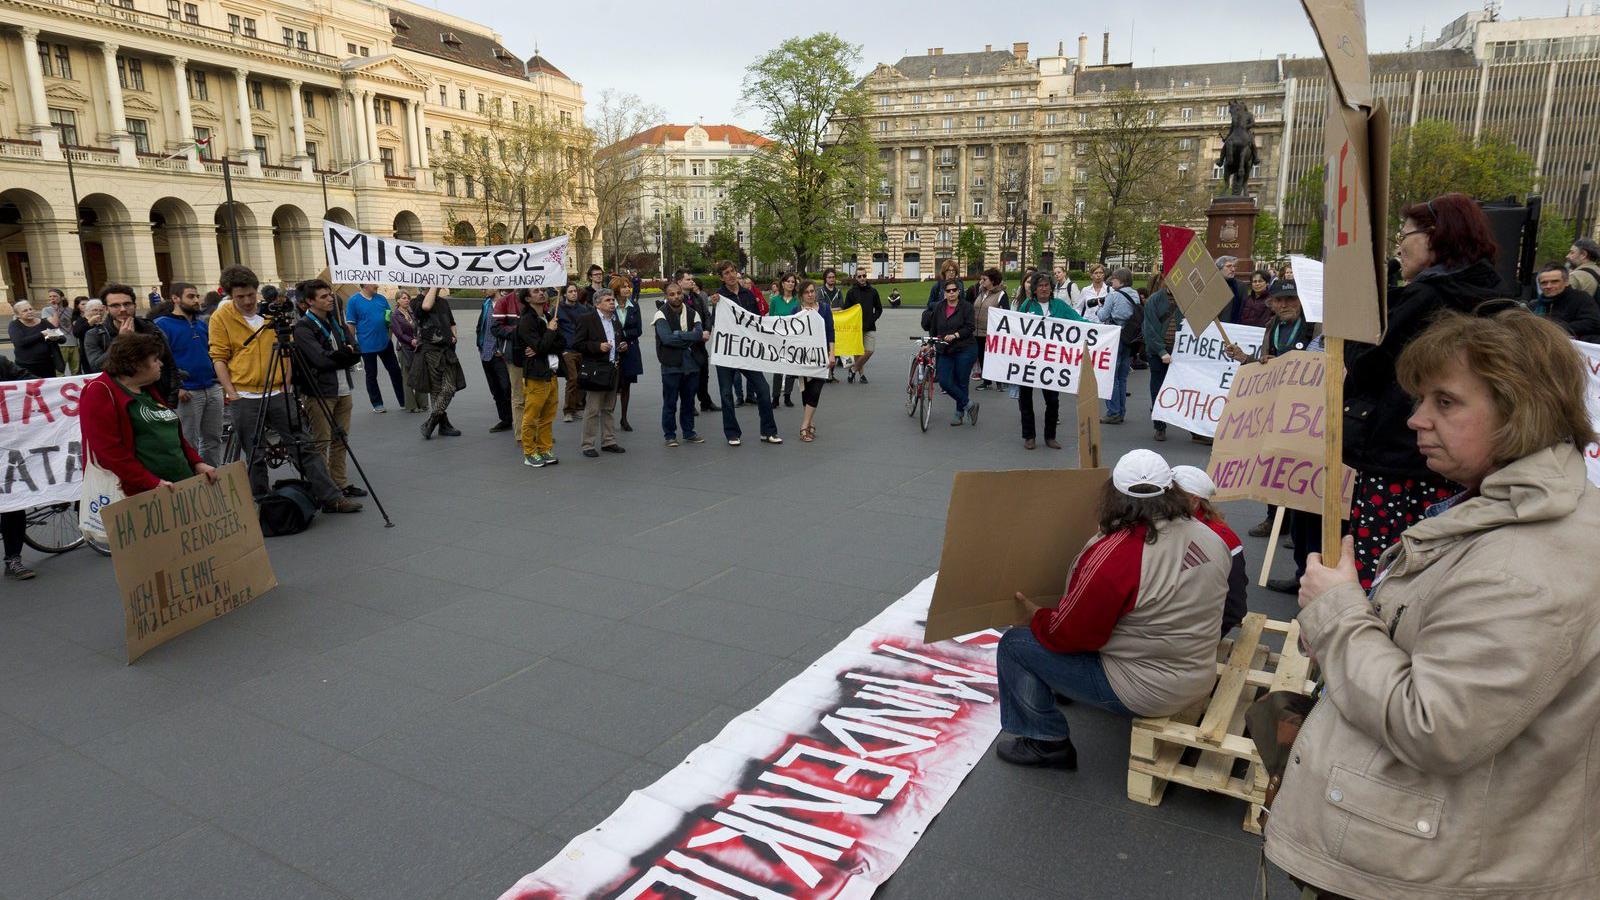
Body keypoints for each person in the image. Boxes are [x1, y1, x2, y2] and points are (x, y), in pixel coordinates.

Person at [1267, 309, 1600, 900]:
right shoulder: (1496, 514)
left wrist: (1340, 613)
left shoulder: (1526, 561)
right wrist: (1343, 624)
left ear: (1520, 410)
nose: (1417, 419)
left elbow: (1434, 725)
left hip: (1431, 871)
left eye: (1445, 402)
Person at [993, 450, 1231, 768]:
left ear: (1114, 495)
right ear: (1172, 491)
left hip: (1148, 688)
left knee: (1015, 645)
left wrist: (1035, 616)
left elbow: (1070, 635)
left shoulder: (1120, 554)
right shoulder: (1210, 537)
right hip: (1198, 672)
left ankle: (1044, 741)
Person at [1343, 192, 1506, 587]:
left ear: (1436, 236)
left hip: (1399, 458)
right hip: (1462, 460)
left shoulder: (1425, 296)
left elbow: (1367, 365)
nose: (1401, 243)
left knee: (1384, 572)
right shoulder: (1493, 294)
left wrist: (1355, 330)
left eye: (1406, 233)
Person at [207, 266, 361, 512]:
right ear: (230, 296)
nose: (247, 301)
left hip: (279, 392)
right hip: (245, 395)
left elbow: (287, 352)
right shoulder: (221, 317)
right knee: (255, 453)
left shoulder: (271, 315)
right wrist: (232, 393)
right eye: (240, 297)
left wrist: (287, 384)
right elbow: (218, 357)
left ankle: (331, 498)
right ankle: (262, 502)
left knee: (303, 445)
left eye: (250, 295)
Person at [80, 332, 218, 500]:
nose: (160, 364)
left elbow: (174, 435)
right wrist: (150, 482)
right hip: (143, 496)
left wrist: (197, 463)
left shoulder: (147, 388)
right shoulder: (99, 391)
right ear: (136, 364)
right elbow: (108, 450)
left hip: (178, 485)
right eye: (154, 360)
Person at [293, 279, 365, 498]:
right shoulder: (304, 326)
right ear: (309, 302)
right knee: (320, 442)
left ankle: (340, 483)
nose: (330, 298)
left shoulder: (336, 322)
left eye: (329, 294)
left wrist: (342, 355)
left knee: (340, 440)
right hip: (320, 392)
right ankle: (324, 490)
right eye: (323, 296)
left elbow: (355, 351)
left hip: (343, 389)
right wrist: (344, 355)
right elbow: (319, 360)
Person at [709, 260, 781, 446]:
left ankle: (768, 431)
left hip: (747, 351)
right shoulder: (719, 297)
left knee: (763, 390)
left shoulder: (747, 294)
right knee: (726, 393)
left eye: (732, 271)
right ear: (721, 277)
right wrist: (714, 305)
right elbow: (713, 322)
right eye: (726, 273)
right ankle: (732, 433)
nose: (731, 275)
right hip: (727, 352)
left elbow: (756, 321)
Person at [1171, 465, 1248, 635]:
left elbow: (1234, 607)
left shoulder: (1224, 540)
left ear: (1194, 500)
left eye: (1172, 495)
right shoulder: (1160, 525)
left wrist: (1204, 639)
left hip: (1193, 636)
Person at [154, 282, 224, 466]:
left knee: (213, 440)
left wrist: (218, 382)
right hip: (188, 393)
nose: (196, 300)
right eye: (190, 297)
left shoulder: (201, 324)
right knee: (188, 442)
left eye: (196, 296)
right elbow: (160, 361)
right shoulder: (162, 325)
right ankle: (191, 482)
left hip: (212, 388)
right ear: (175, 299)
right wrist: (176, 388)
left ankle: (212, 476)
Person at [1014, 272, 1086, 449]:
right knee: (1025, 399)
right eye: (1040, 286)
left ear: (1051, 288)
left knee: (1052, 400)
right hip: (1028, 360)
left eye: (1047, 285)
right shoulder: (1027, 305)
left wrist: (1104, 330)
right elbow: (1015, 327)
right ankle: (1029, 436)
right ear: (1035, 289)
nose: (1044, 289)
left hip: (1051, 362)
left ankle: (1050, 436)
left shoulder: (1060, 306)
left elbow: (1080, 322)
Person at [83, 284, 179, 398]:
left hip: (155, 395)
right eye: (115, 306)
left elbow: (169, 364)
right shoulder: (95, 334)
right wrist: (121, 340)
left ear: (134, 305)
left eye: (127, 304)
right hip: (119, 398)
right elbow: (97, 367)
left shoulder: (150, 328)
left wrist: (172, 399)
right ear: (106, 309)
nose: (123, 309)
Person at [514, 286, 567, 467]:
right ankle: (529, 452)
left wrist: (541, 346)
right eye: (536, 291)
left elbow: (561, 343)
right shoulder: (527, 320)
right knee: (532, 415)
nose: (541, 293)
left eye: (542, 290)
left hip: (550, 372)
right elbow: (542, 345)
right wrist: (549, 332)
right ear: (527, 299)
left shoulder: (548, 316)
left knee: (548, 415)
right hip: (536, 375)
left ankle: (545, 448)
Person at [574, 288, 627, 458]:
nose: (612, 303)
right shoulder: (587, 319)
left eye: (612, 300)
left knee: (609, 407)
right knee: (593, 408)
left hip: (613, 368)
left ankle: (609, 441)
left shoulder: (615, 321)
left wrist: (623, 346)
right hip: (596, 369)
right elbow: (578, 344)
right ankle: (588, 444)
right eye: (608, 300)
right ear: (598, 303)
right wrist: (598, 346)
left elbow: (619, 338)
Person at [653, 278, 705, 447]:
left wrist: (678, 334)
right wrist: (688, 336)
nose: (676, 297)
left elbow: (698, 335)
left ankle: (689, 432)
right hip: (671, 365)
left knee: (689, 402)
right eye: (671, 294)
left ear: (682, 294)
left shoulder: (693, 313)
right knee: (670, 402)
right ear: (666, 296)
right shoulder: (660, 314)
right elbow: (666, 339)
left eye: (678, 293)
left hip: (692, 365)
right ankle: (670, 435)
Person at [921, 279, 979, 427]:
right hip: (945, 349)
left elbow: (970, 327)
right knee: (945, 381)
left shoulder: (966, 307)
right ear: (944, 293)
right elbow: (934, 329)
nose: (952, 293)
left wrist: (955, 335)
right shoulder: (939, 307)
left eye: (954, 290)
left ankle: (959, 413)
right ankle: (970, 405)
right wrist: (929, 344)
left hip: (965, 348)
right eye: (948, 291)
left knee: (961, 381)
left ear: (959, 291)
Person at [2, 352, 39, 578]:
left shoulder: (0, 363)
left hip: (6, 446)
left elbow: (29, 380)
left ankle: (13, 559)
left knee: (12, 501)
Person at [412, 287, 466, 438]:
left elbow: (452, 322)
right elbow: (426, 307)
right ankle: (443, 425)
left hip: (447, 350)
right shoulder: (416, 302)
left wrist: (454, 335)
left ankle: (430, 421)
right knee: (436, 390)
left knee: (449, 387)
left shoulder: (442, 302)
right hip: (430, 351)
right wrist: (434, 285)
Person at [343, 284, 403, 414]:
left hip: (385, 343)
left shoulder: (381, 298)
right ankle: (377, 403)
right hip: (366, 346)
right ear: (364, 284)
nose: (376, 285)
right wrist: (351, 344)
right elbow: (351, 324)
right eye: (373, 282)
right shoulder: (353, 301)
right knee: (371, 375)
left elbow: (389, 318)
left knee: (396, 371)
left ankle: (403, 400)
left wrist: (389, 337)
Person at [1141, 272, 1184, 443]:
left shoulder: (1187, 299)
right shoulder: (1154, 300)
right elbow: (1149, 330)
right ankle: (1160, 425)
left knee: (1187, 389)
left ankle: (1193, 428)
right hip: (1159, 353)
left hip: (1181, 352)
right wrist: (1161, 351)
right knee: (1158, 388)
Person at [1096, 267, 1141, 425]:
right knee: (1122, 377)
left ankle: (1113, 411)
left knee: (1111, 377)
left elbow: (1102, 316)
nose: (1111, 281)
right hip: (1130, 337)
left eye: (1114, 279)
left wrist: (1101, 306)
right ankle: (1121, 411)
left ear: (1120, 280)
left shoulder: (1113, 295)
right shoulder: (1134, 294)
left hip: (1115, 336)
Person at [794, 280, 835, 442]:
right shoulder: (796, 310)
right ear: (801, 295)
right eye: (807, 292)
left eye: (812, 291)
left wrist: (832, 353)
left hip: (821, 355)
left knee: (816, 388)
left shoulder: (824, 309)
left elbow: (831, 331)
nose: (811, 294)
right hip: (803, 356)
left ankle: (804, 425)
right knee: (807, 391)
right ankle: (810, 422)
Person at [675, 271, 718, 412]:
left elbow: (706, 315)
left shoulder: (697, 298)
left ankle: (705, 401)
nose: (692, 281)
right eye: (688, 279)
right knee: (688, 375)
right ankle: (689, 404)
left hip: (700, 343)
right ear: (679, 282)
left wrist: (707, 330)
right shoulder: (676, 300)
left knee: (703, 373)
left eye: (692, 279)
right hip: (687, 344)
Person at [476, 290, 515, 433]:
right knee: (495, 389)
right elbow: (481, 325)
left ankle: (515, 418)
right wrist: (480, 345)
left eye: (487, 285)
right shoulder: (486, 303)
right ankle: (505, 419)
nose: (484, 288)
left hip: (500, 354)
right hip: (486, 352)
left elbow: (509, 327)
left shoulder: (506, 303)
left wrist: (502, 348)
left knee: (507, 388)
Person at [1530, 263, 1600, 341]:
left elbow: (1593, 322)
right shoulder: (1535, 305)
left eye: (1554, 282)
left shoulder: (1581, 298)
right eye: (1544, 283)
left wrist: (1557, 328)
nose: (1548, 286)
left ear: (1566, 282)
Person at [612, 275, 644, 432]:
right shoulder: (610, 305)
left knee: (626, 386)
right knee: (612, 385)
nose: (627, 289)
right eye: (623, 287)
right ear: (616, 290)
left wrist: (623, 335)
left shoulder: (634, 306)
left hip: (630, 349)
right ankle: (607, 418)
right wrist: (619, 339)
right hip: (613, 350)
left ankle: (624, 418)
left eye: (628, 286)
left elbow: (638, 330)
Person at [491, 288, 527, 428]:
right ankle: (521, 432)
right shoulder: (504, 301)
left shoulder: (535, 298)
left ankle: (535, 430)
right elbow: (495, 328)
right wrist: (517, 332)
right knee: (518, 395)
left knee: (535, 395)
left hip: (535, 354)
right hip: (514, 355)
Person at [971, 268, 1010, 391]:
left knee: (994, 357)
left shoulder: (1001, 294)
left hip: (992, 333)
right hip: (977, 331)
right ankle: (986, 381)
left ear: (992, 280)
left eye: (984, 279)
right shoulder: (981, 293)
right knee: (981, 356)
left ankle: (999, 381)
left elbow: (1006, 313)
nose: (981, 281)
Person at [842, 267, 883, 384]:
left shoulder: (873, 291)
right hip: (856, 327)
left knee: (869, 351)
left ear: (866, 276)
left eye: (864, 276)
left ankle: (853, 369)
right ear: (856, 278)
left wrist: (873, 319)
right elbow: (846, 309)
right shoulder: (851, 292)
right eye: (859, 276)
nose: (862, 279)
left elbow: (879, 309)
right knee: (858, 352)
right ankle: (862, 375)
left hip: (870, 326)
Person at [557, 282, 591, 422]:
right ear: (565, 294)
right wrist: (561, 350)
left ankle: (577, 407)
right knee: (572, 379)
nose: (574, 294)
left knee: (582, 379)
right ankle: (568, 410)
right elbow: (555, 331)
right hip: (568, 350)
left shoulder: (583, 309)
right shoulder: (558, 309)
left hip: (581, 349)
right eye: (570, 291)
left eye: (575, 291)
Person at [389, 290, 427, 412]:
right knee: (407, 377)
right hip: (404, 348)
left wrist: (419, 338)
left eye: (408, 298)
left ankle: (422, 402)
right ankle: (411, 405)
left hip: (417, 346)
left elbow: (418, 325)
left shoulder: (411, 312)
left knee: (420, 373)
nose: (407, 300)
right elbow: (399, 334)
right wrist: (411, 340)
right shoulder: (395, 315)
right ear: (398, 300)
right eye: (404, 298)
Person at [7, 299, 65, 378]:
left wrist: (55, 337)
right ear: (18, 315)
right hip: (26, 366)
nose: (29, 312)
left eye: (30, 309)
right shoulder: (15, 325)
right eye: (25, 311)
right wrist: (42, 334)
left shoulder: (44, 322)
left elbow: (63, 339)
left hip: (47, 365)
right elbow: (19, 342)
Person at [767, 271, 800, 405]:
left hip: (793, 338)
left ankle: (787, 395)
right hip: (778, 338)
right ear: (783, 283)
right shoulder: (775, 300)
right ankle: (775, 397)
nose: (791, 284)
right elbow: (771, 319)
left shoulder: (798, 301)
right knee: (778, 369)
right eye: (788, 281)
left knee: (791, 368)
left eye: (793, 282)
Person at [819, 268, 845, 382]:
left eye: (833, 277)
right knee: (825, 347)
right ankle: (824, 372)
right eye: (829, 277)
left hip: (837, 322)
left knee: (835, 348)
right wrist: (833, 309)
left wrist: (829, 309)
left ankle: (831, 373)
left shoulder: (838, 292)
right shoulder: (820, 291)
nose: (832, 279)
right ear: (825, 278)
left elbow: (841, 306)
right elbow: (821, 306)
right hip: (823, 322)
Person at [1215, 256, 1248, 324]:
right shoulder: (1211, 286)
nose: (1233, 269)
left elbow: (1244, 310)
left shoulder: (1241, 286)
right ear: (1219, 269)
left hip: (1232, 329)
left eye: (1234, 266)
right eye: (1229, 266)